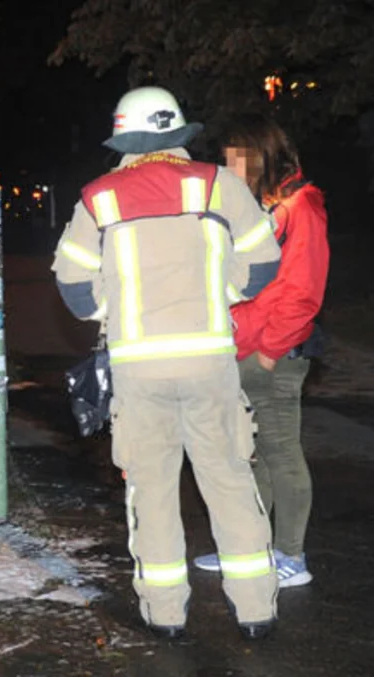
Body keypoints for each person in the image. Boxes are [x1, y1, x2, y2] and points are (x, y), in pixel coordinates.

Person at [52, 86, 283, 640]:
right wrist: (219, 291)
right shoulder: (218, 185)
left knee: (151, 491)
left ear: (124, 139)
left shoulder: (98, 198)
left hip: (138, 370)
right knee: (228, 482)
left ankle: (165, 614)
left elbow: (72, 281)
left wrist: (115, 309)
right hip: (209, 363)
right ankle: (255, 611)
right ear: (179, 134)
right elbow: (263, 262)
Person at [192, 116, 329, 588]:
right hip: (247, 349)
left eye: (236, 159)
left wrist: (269, 353)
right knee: (251, 457)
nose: (228, 168)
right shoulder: (268, 205)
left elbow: (303, 292)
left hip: (274, 355)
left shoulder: (302, 206)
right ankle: (248, 549)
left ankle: (292, 555)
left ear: (260, 155)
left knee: (281, 454)